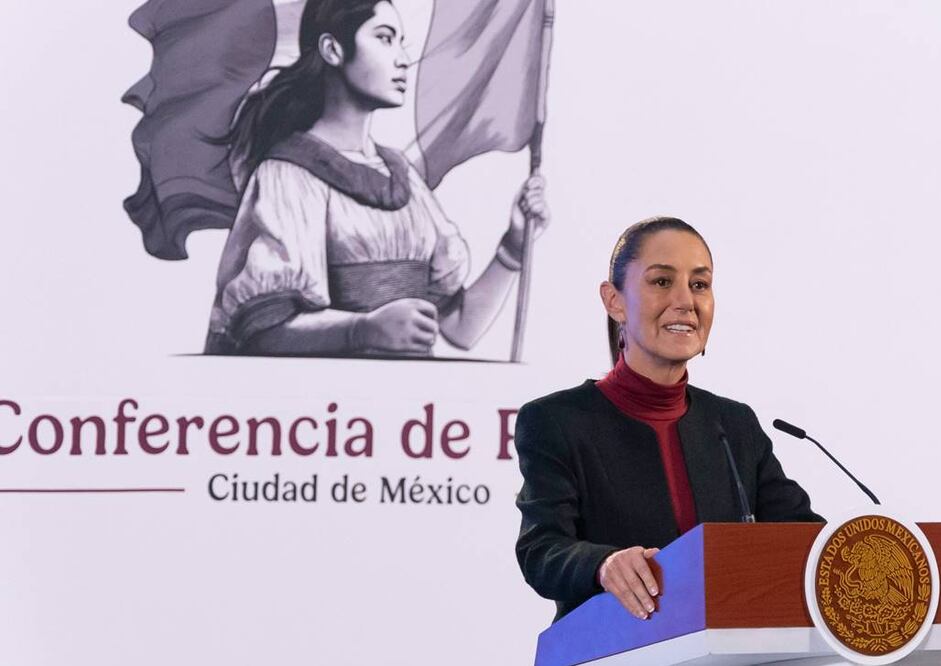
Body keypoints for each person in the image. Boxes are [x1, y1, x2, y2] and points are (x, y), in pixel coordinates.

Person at [514, 216, 822, 623]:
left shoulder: (734, 424)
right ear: (614, 301)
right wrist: (603, 565)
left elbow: (804, 538)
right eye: (662, 282)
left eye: (699, 285)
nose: (685, 301)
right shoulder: (556, 421)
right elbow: (542, 549)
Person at [204, 0, 548, 355]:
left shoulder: (403, 178)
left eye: (402, 43)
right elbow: (263, 333)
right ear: (332, 49)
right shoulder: (288, 175)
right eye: (384, 39)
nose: (402, 59)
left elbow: (461, 329)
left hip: (411, 405)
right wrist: (362, 330)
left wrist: (514, 245)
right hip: (331, 406)